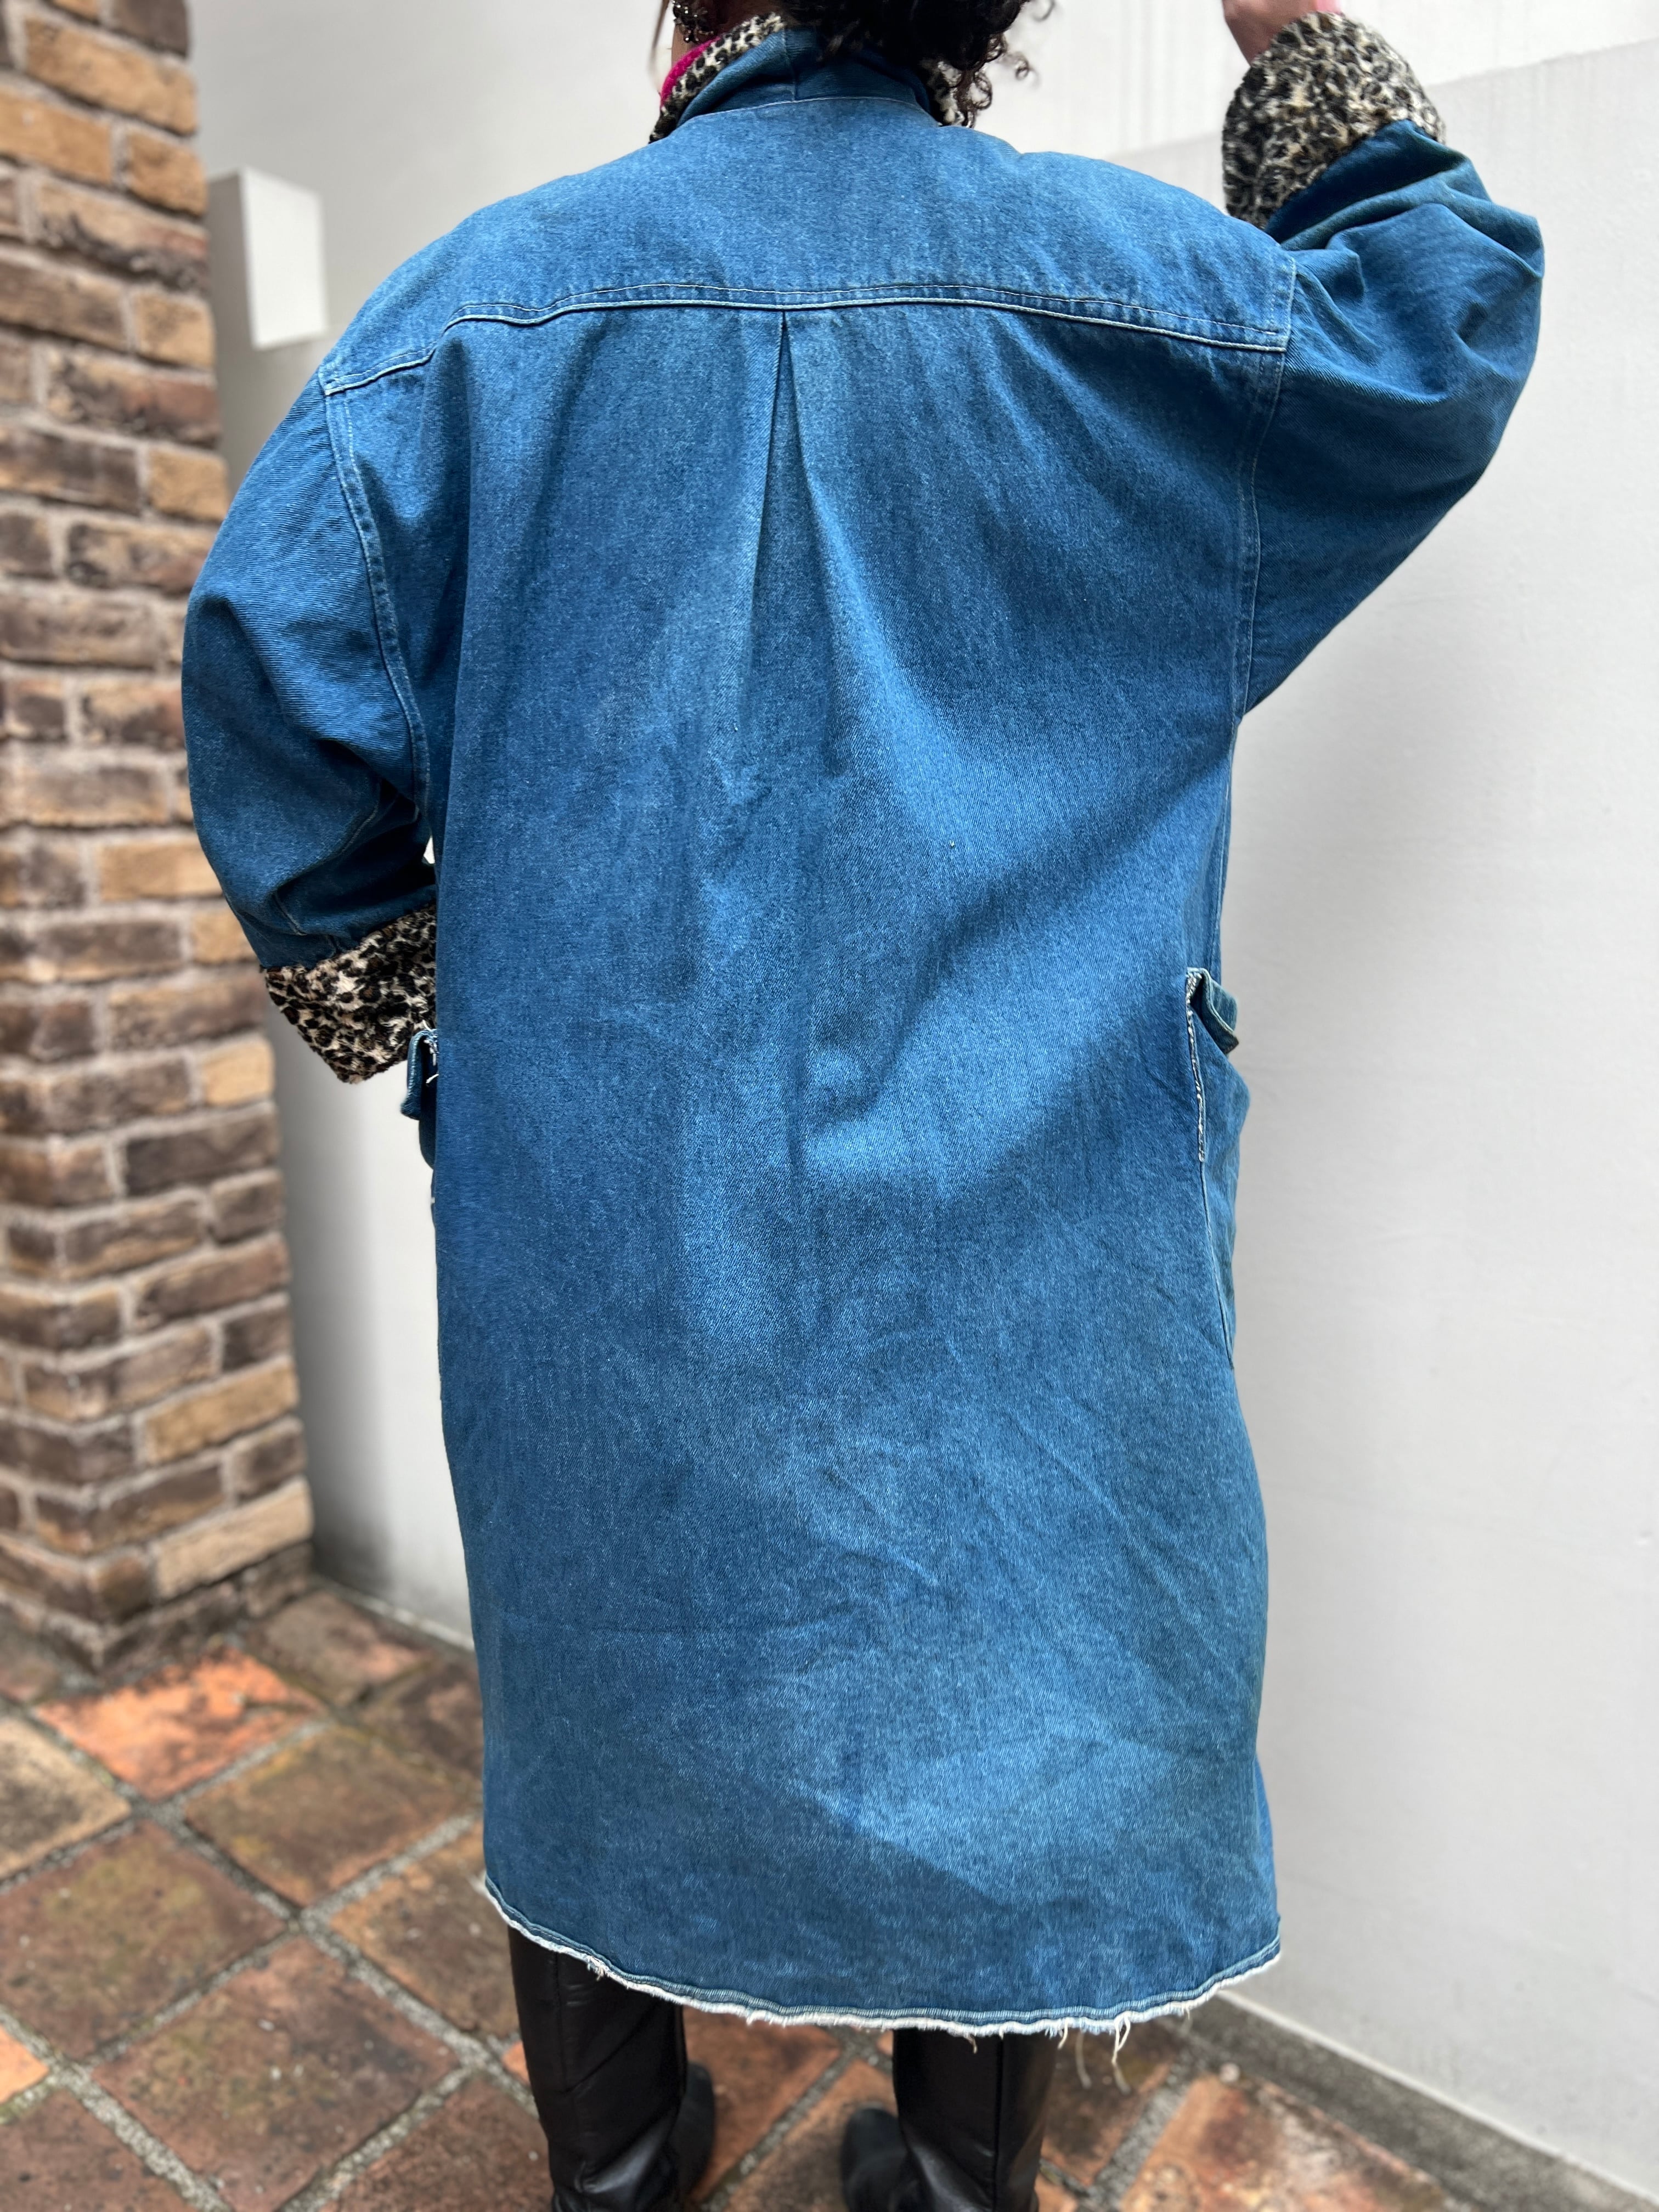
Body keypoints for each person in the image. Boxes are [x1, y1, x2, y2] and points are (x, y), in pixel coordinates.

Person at [181, 0, 1542, 2204]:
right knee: (1013, 1688)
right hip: (1041, 1213)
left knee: (600, 1674)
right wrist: (1296, 34)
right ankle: (959, 2182)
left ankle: (624, 2171)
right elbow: (1429, 328)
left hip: (599, 1224)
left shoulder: (472, 318)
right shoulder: (1130, 300)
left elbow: (269, 683)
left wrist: (439, 1024)